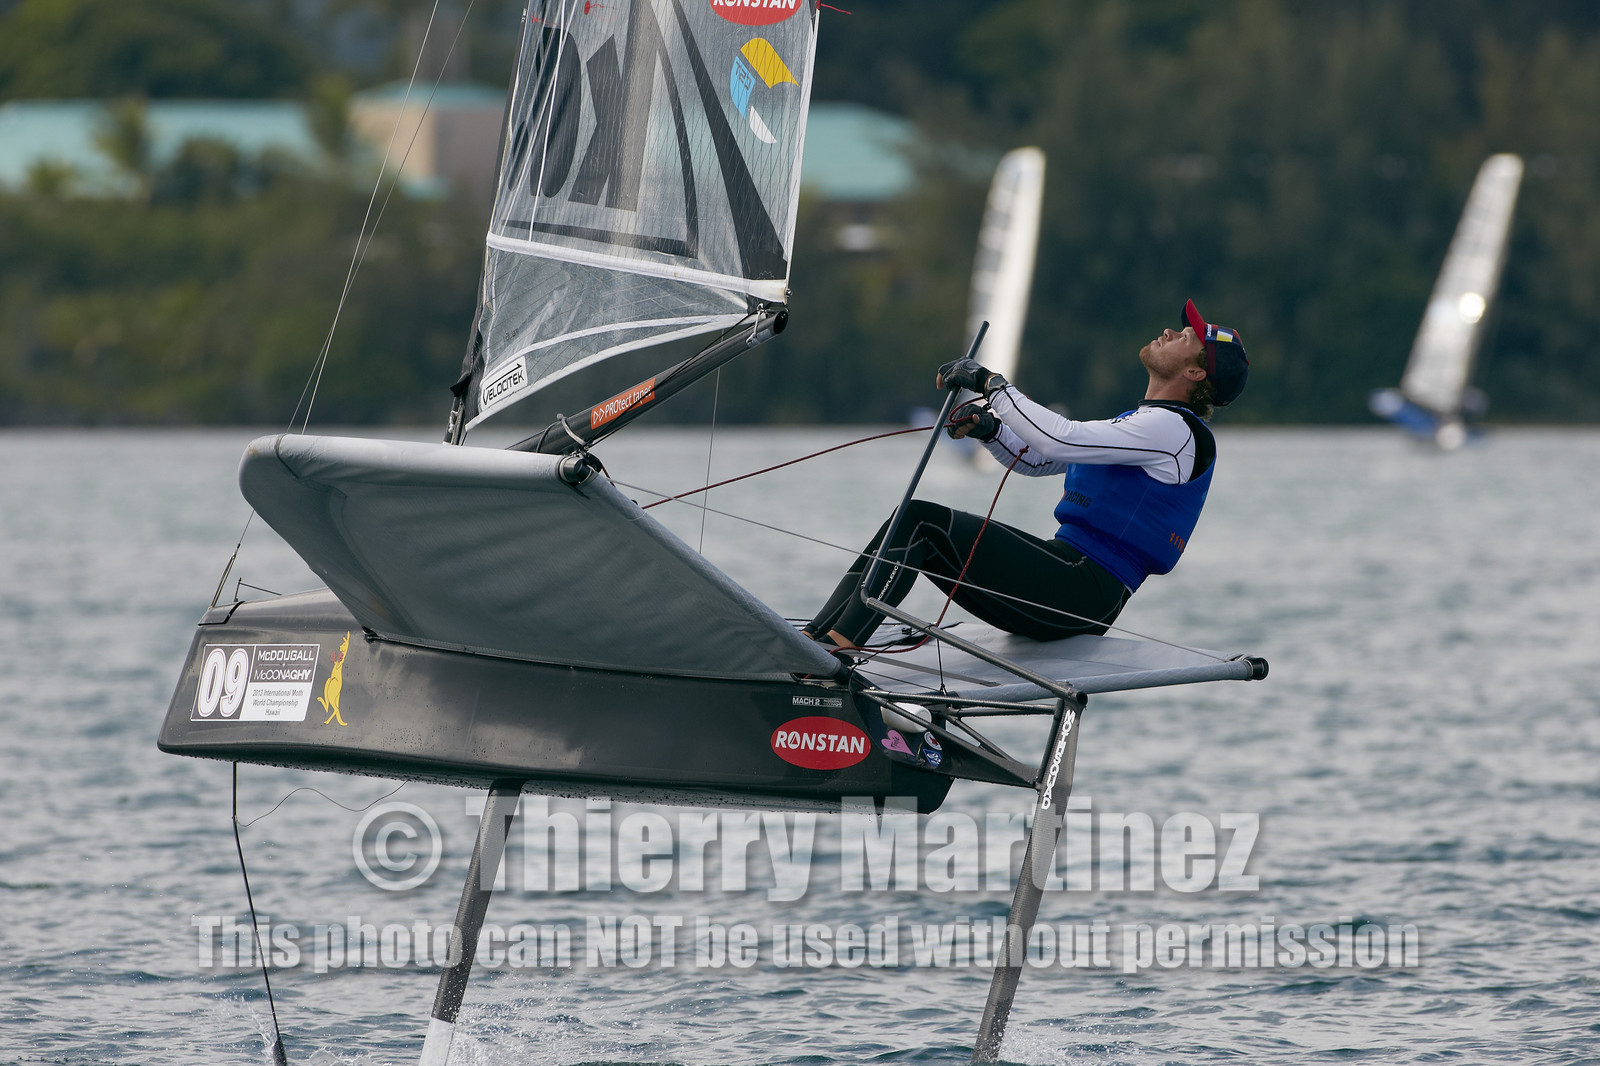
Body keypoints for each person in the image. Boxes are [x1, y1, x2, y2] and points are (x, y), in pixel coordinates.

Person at [802, 300, 1249, 650]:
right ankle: (818, 638)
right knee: (909, 523)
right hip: (1071, 580)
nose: (1170, 331)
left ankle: (833, 651)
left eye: (1185, 337)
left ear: (1194, 371)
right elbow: (1044, 460)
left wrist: (991, 385)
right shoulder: (1146, 423)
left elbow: (1059, 440)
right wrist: (992, 430)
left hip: (1082, 590)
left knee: (920, 523)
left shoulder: (1172, 429)